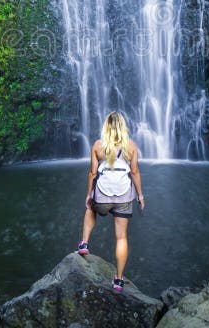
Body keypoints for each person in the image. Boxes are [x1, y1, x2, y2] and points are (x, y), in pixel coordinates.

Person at [76, 111, 145, 293]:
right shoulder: (130, 146)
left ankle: (84, 243)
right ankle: (119, 279)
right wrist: (140, 196)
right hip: (124, 197)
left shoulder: (98, 146)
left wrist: (88, 194)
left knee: (90, 207)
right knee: (121, 237)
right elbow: (135, 172)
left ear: (106, 127)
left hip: (103, 196)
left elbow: (93, 172)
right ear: (123, 127)